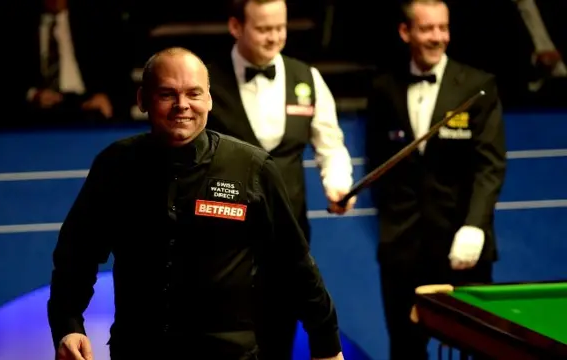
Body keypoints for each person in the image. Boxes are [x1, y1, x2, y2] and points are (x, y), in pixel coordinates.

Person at [47, 47, 345, 360]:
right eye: (167, 94)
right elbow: (76, 256)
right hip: (138, 350)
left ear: (209, 99)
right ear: (142, 100)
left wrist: (326, 344)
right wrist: (68, 324)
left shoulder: (252, 167)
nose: (182, 105)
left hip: (231, 354)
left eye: (194, 93)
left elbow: (293, 262)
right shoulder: (115, 165)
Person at [205, 2, 355, 356]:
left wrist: (338, 183)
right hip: (223, 240)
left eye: (280, 27)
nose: (274, 37)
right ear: (235, 26)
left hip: (287, 236)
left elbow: (330, 146)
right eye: (263, 29)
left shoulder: (307, 78)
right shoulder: (206, 80)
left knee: (278, 339)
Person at [364, 0, 507, 359]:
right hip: (403, 250)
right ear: (405, 32)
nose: (438, 37)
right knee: (406, 347)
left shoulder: (478, 87)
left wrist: (475, 225)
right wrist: (391, 222)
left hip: (463, 247)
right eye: (427, 29)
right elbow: (378, 163)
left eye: (443, 28)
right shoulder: (384, 88)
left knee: (477, 347)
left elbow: (490, 166)